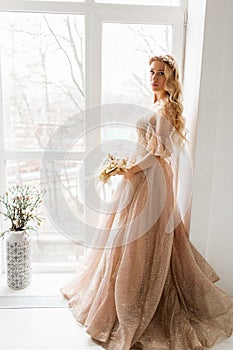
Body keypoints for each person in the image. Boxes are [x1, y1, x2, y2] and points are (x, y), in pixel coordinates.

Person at [61, 55, 233, 350]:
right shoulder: (156, 104)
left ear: (171, 79)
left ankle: (139, 300)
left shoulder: (166, 107)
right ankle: (126, 293)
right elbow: (148, 146)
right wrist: (127, 165)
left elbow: (161, 152)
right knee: (128, 237)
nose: (154, 78)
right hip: (141, 173)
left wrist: (130, 168)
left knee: (141, 240)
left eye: (161, 74)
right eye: (151, 72)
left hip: (150, 178)